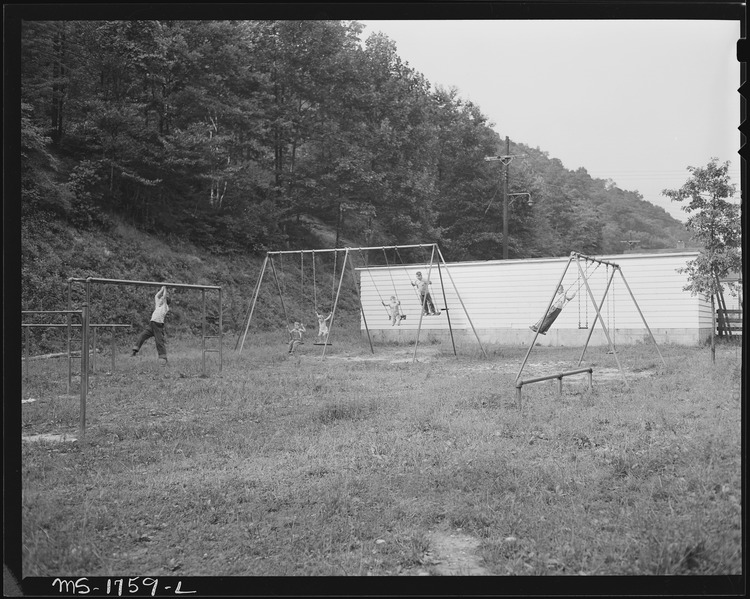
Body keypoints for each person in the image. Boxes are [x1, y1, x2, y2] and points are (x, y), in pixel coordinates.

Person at [131, 286, 170, 364]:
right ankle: (134, 351)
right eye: (161, 298)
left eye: (162, 299)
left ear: (165, 301)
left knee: (159, 342)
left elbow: (164, 297)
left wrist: (165, 289)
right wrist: (161, 289)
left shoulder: (165, 307)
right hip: (151, 325)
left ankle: (164, 359)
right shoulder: (158, 306)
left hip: (158, 326)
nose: (161, 299)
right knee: (142, 336)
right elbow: (156, 296)